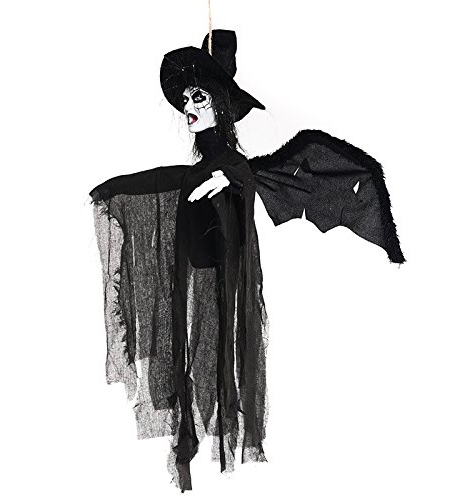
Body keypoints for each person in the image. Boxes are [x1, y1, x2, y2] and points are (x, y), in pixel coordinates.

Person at [89, 29, 404, 493]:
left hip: (224, 261)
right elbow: (181, 178)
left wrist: (230, 177)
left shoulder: (234, 164)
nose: (189, 107)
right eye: (186, 100)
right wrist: (115, 191)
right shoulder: (206, 164)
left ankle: (208, 432)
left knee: (218, 345)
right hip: (195, 258)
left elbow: (243, 170)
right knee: (188, 340)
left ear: (220, 103)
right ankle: (189, 433)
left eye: (199, 97)